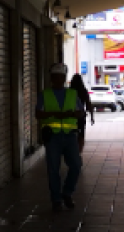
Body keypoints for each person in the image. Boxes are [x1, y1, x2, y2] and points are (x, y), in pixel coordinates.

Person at [36, 63, 85, 212]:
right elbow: (38, 114)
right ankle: (56, 199)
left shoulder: (72, 94)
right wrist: (55, 114)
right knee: (53, 170)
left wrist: (73, 114)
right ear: (51, 79)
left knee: (76, 166)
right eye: (55, 77)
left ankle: (67, 193)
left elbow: (81, 112)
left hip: (70, 136)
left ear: (64, 78)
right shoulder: (44, 94)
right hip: (52, 138)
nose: (58, 79)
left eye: (60, 77)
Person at [68, 73, 95, 151]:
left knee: (71, 133)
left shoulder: (69, 92)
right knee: (81, 134)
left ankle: (71, 149)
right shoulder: (83, 91)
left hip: (70, 116)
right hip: (81, 116)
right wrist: (92, 117)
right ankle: (79, 150)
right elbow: (88, 104)